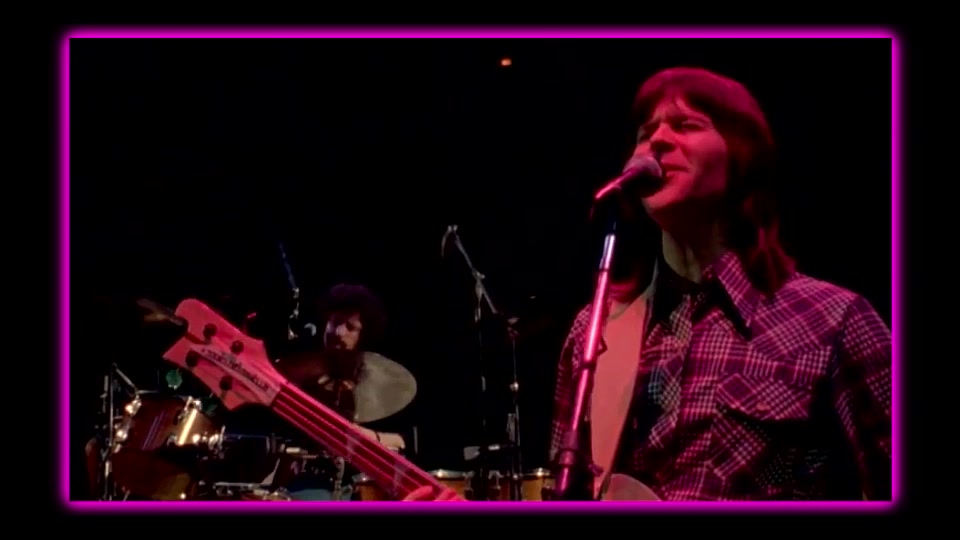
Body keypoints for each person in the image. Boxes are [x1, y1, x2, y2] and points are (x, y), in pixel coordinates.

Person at [544, 66, 892, 501]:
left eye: (686, 125)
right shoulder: (596, 330)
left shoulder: (834, 319)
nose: (658, 141)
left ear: (741, 156)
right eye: (645, 133)